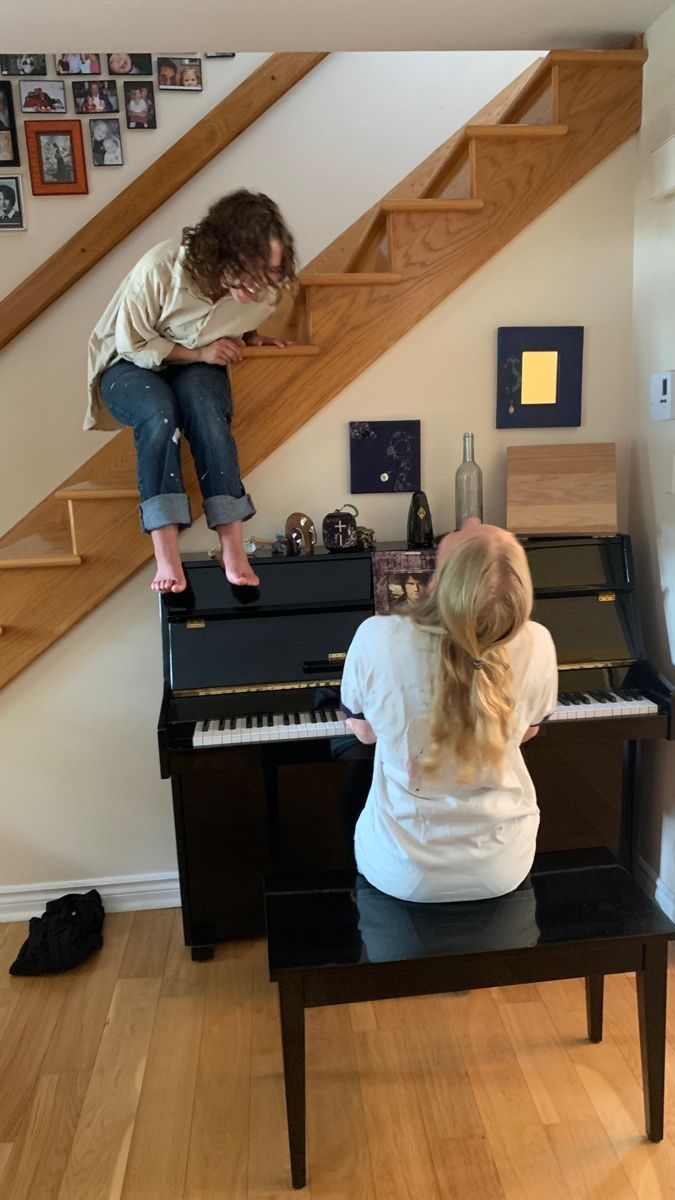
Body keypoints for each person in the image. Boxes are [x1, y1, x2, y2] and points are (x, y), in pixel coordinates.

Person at [86, 189, 297, 594]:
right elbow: (133, 344)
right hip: (127, 363)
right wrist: (199, 351)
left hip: (196, 365)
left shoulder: (263, 290)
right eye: (253, 271)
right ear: (224, 251)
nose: (260, 286)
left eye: (270, 272)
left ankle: (232, 543)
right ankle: (166, 550)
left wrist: (251, 337)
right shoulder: (161, 268)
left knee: (205, 408)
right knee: (159, 411)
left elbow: (237, 315)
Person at [339, 518, 558, 903]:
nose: (472, 519)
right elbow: (528, 732)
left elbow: (364, 732)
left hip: (400, 869)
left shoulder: (376, 636)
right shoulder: (538, 641)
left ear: (439, 582)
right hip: (501, 863)